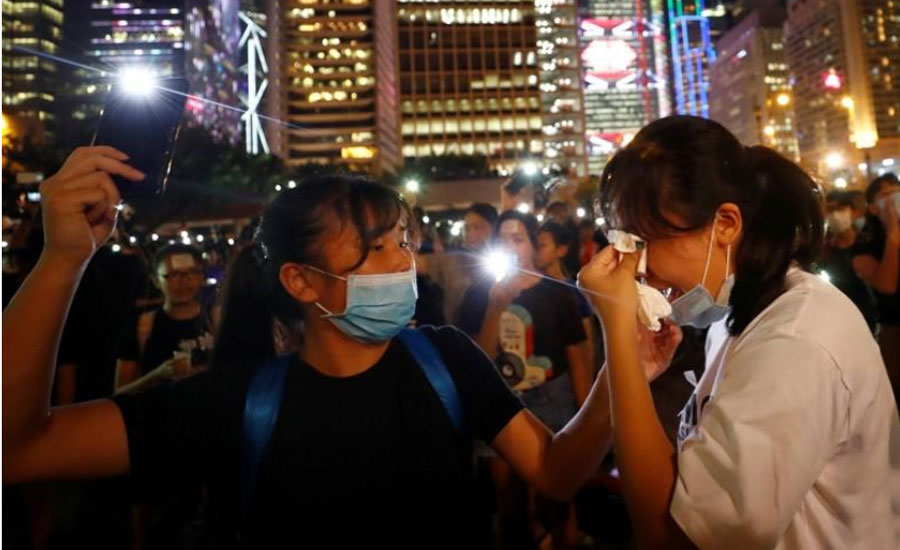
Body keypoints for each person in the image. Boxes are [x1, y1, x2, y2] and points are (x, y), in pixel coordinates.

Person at [3, 146, 631, 549]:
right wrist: (62, 259)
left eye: (403, 242)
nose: (402, 262)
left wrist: (621, 355)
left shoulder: (446, 359)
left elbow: (556, 471)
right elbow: (20, 447)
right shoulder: (237, 401)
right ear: (300, 281)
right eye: (376, 246)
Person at [578, 115, 900, 549]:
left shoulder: (795, 341)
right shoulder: (737, 317)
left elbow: (671, 536)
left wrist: (616, 327)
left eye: (645, 243)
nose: (637, 269)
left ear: (726, 223)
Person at [457, 211, 591, 550]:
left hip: (552, 399)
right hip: (500, 401)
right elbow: (478, 359)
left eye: (518, 239)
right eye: (502, 240)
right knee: (509, 502)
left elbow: (577, 358)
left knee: (557, 497)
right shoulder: (479, 295)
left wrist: (585, 412)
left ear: (534, 245)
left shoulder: (558, 294)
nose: (510, 247)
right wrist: (495, 307)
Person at [114, 244, 214, 394]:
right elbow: (120, 393)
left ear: (202, 277)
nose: (184, 281)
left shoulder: (218, 321)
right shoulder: (141, 327)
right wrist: (157, 375)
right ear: (155, 280)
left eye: (192, 273)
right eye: (173, 275)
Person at [852, 173, 900, 398]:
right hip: (895, 332)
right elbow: (886, 285)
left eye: (896, 192)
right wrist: (893, 234)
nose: (893, 199)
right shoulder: (863, 247)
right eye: (886, 195)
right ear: (872, 208)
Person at [418, 202, 498, 324]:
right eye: (466, 228)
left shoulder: (507, 261)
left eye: (477, 227)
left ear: (494, 228)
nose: (470, 233)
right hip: (459, 336)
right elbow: (415, 264)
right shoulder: (455, 260)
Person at [535, 220, 598, 375]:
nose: (536, 251)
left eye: (542, 246)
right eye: (535, 245)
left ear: (561, 250)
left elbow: (586, 344)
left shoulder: (573, 292)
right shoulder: (531, 289)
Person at [821, 191, 879, 332]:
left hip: (865, 318)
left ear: (855, 212)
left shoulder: (866, 246)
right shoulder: (822, 249)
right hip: (833, 320)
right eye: (830, 209)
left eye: (840, 209)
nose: (834, 215)